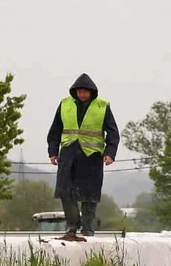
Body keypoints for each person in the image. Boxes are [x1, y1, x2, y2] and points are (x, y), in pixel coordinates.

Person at [47, 73, 120, 237]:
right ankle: (72, 226)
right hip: (68, 153)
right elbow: (55, 130)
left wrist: (110, 153)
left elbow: (113, 133)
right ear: (75, 91)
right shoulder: (65, 104)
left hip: (92, 156)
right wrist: (52, 152)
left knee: (90, 194)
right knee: (65, 191)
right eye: (79, 91)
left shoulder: (102, 106)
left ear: (91, 92)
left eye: (85, 92)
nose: (81, 95)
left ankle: (87, 228)